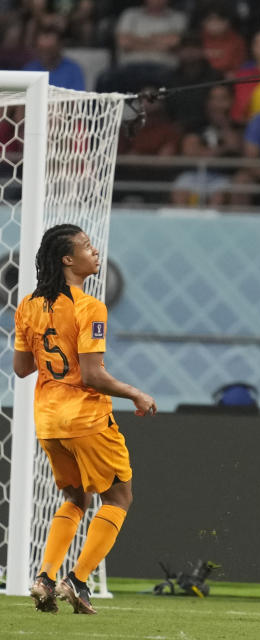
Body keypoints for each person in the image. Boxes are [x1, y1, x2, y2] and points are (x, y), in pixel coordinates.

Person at [14, 224, 157, 615]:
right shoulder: (89, 307)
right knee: (118, 497)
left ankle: (45, 577)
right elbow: (93, 376)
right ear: (67, 259)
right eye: (87, 246)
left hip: (47, 420)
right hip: (85, 418)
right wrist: (136, 393)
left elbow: (22, 368)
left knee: (75, 497)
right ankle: (77, 581)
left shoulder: (27, 305)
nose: (95, 252)